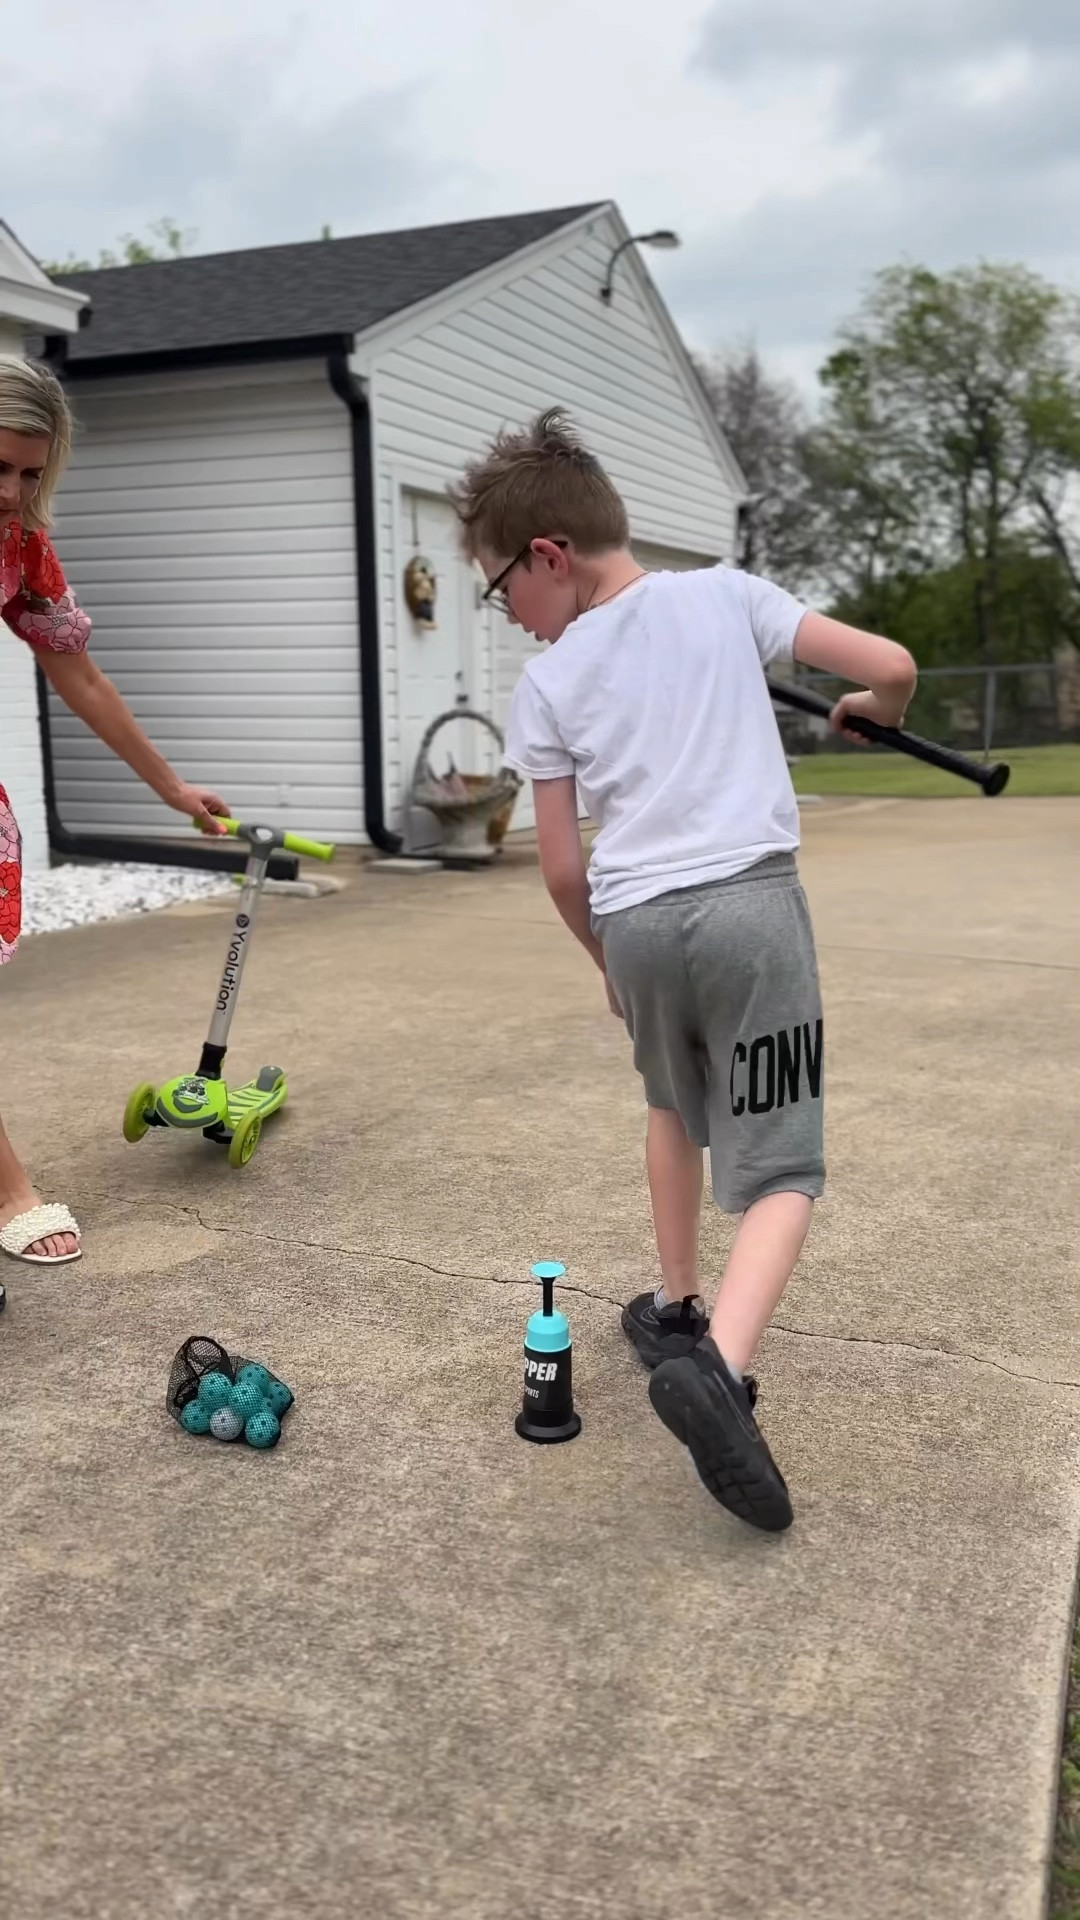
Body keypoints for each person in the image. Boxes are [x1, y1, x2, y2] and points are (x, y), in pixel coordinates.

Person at [450, 408, 917, 1533]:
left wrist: (605, 957)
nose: (509, 612)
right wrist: (872, 711)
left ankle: (674, 1307)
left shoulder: (551, 686)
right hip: (752, 908)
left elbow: (563, 871)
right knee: (783, 1164)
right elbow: (890, 665)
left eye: (501, 587)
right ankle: (723, 1368)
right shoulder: (728, 596)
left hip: (640, 923)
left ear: (550, 557)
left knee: (673, 1101)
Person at [0, 355, 229, 1272]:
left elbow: (78, 674)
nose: (13, 491)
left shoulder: (20, 548)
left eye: (30, 472)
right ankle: (9, 1185)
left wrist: (169, 787)